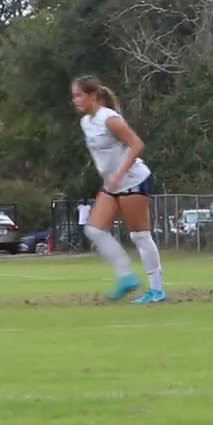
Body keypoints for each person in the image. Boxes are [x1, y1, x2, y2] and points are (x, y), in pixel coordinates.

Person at [72, 75, 165, 304]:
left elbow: (137, 144)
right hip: (111, 184)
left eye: (78, 95)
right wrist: (109, 178)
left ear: (92, 95)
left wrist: (119, 175)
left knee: (140, 235)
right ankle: (126, 277)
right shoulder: (86, 122)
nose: (75, 100)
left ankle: (157, 290)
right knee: (94, 229)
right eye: (74, 96)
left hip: (133, 180)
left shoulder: (110, 119)